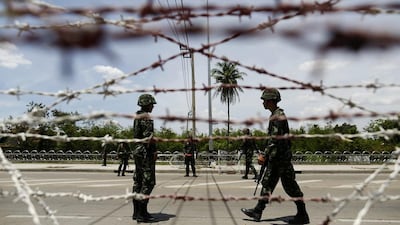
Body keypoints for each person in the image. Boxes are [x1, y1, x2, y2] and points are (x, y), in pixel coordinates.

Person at [241, 88, 310, 224]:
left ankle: (302, 214)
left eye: (264, 100)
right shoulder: (276, 114)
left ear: (270, 100)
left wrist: (264, 155)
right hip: (277, 158)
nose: (263, 103)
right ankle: (258, 211)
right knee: (268, 184)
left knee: (290, 187)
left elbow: (275, 139)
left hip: (280, 159)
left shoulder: (277, 116)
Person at [132, 93, 157, 223]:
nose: (153, 106)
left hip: (137, 150)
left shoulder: (137, 116)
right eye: (151, 104)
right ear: (146, 104)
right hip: (145, 152)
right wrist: (153, 151)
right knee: (148, 182)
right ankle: (142, 214)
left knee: (138, 181)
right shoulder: (146, 117)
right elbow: (148, 138)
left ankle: (136, 212)